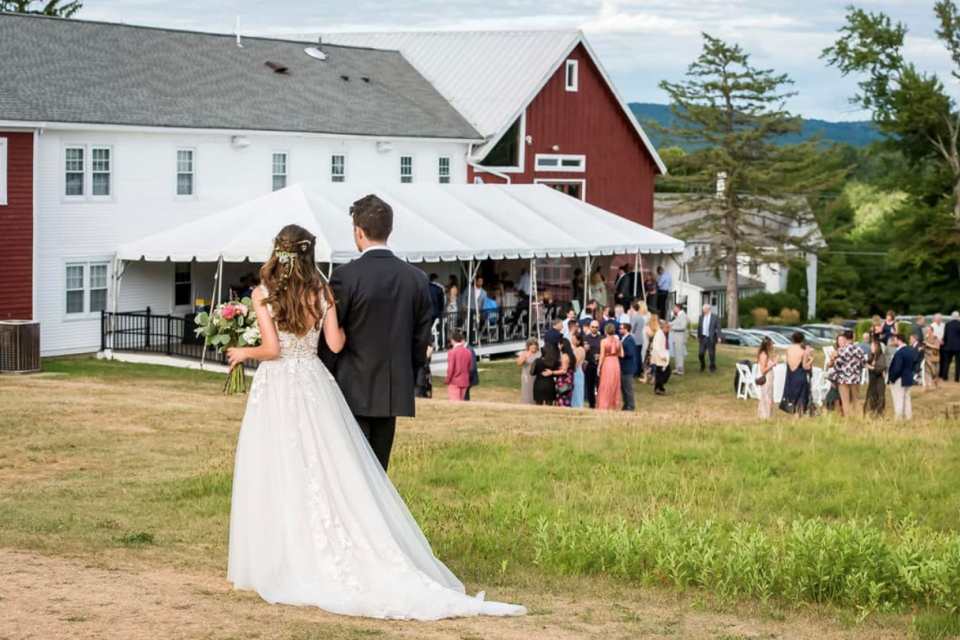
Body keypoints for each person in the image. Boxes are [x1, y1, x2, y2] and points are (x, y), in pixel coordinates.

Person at [224, 222, 525, 619]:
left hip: (278, 388)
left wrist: (242, 353)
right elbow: (334, 344)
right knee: (325, 469)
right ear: (309, 254)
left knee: (281, 468)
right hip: (314, 383)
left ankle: (283, 556)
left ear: (277, 254)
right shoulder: (322, 292)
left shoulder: (263, 295)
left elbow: (272, 348)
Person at [321, 196, 433, 473]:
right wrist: (409, 372)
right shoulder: (417, 279)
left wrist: (327, 376)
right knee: (379, 471)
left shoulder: (345, 277)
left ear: (358, 231)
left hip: (351, 385)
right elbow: (421, 339)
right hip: (393, 388)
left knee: (352, 471)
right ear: (389, 231)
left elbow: (332, 335)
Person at [832, 330, 865, 418]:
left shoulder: (841, 350)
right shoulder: (859, 350)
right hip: (855, 378)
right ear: (853, 337)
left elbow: (837, 366)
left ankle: (848, 418)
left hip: (843, 379)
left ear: (845, 338)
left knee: (845, 401)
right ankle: (858, 417)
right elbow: (863, 364)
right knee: (856, 399)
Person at [781, 331, 813, 416]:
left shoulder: (789, 349)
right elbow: (805, 366)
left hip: (791, 375)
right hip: (800, 374)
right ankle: (799, 415)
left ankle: (794, 413)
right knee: (801, 396)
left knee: (793, 395)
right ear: (802, 340)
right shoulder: (803, 351)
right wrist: (811, 360)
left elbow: (787, 361)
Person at [888, 332, 919, 420]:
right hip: (908, 377)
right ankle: (908, 417)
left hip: (899, 378)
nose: (893, 342)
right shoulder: (911, 350)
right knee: (907, 399)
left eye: (894, 340)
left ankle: (898, 419)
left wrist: (892, 378)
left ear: (898, 340)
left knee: (898, 399)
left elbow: (897, 368)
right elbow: (915, 362)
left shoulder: (899, 352)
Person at [596, 322, 623, 410]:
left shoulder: (603, 341)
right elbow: (622, 354)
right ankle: (614, 404)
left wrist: (599, 367)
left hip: (607, 362)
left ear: (606, 331)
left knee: (606, 383)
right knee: (615, 383)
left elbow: (602, 355)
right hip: (615, 362)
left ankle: (604, 404)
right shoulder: (618, 341)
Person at [444, 331, 472, 401]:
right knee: (461, 404)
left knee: (454, 404)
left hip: (454, 381)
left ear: (452, 340)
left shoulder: (452, 352)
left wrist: (447, 380)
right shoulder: (468, 351)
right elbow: (469, 367)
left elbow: (451, 369)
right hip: (464, 381)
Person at [863, 334, 887, 417]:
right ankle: (871, 413)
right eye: (871, 346)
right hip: (872, 380)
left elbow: (881, 368)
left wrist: (871, 367)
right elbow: (866, 362)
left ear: (877, 347)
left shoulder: (881, 356)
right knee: (871, 396)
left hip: (879, 381)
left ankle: (879, 414)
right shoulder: (872, 356)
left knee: (879, 397)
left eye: (873, 346)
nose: (871, 348)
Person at [755, 337, 778, 419]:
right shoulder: (763, 355)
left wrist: (773, 362)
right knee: (767, 397)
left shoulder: (766, 354)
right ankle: (765, 416)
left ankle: (766, 415)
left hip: (770, 378)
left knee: (768, 397)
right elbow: (763, 370)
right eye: (771, 344)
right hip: (767, 379)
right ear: (768, 345)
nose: (773, 346)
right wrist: (772, 364)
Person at [618, 322, 639, 410]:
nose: (620, 330)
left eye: (621, 328)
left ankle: (631, 405)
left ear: (626, 329)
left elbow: (630, 353)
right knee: (623, 387)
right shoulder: (624, 338)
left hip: (627, 367)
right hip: (623, 367)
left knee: (628, 388)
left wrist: (622, 353)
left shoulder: (629, 339)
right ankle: (626, 404)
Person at [649, 314, 671, 395]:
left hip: (661, 356)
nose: (669, 330)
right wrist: (662, 356)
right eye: (668, 328)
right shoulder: (660, 334)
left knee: (661, 373)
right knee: (665, 373)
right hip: (660, 357)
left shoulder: (662, 334)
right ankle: (659, 387)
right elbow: (657, 347)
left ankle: (659, 388)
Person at [582, 319, 602, 408]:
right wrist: (584, 349)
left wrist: (600, 355)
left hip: (599, 365)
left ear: (598, 328)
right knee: (590, 385)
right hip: (589, 364)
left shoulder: (602, 338)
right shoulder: (585, 338)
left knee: (599, 385)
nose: (594, 328)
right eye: (593, 327)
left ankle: (599, 402)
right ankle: (591, 404)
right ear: (590, 327)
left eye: (596, 327)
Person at [533, 341, 560, 406]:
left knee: (538, 404)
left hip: (538, 384)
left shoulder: (537, 361)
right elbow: (557, 374)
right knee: (549, 404)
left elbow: (532, 372)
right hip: (550, 384)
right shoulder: (555, 362)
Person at [697, 304, 720, 373]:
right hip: (703, 338)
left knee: (711, 354)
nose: (703, 310)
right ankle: (703, 365)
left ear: (708, 309)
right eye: (703, 309)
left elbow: (718, 327)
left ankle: (712, 367)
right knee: (700, 353)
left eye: (704, 309)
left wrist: (719, 337)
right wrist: (698, 336)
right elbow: (699, 327)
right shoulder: (701, 317)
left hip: (711, 338)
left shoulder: (714, 317)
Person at [516, 338, 540, 405]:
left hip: (537, 377)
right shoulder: (525, 353)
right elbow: (518, 363)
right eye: (531, 344)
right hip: (527, 377)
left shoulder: (539, 353)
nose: (534, 346)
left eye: (535, 344)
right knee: (527, 391)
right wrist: (525, 357)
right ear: (528, 346)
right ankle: (526, 404)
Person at [630, 301, 649, 381]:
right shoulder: (640, 317)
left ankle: (636, 371)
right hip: (640, 338)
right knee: (638, 355)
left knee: (635, 356)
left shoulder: (635, 317)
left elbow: (632, 329)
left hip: (635, 338)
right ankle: (639, 370)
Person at [669, 302, 688, 375]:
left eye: (674, 307)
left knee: (679, 354)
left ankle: (680, 369)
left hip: (680, 337)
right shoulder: (678, 316)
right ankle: (677, 368)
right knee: (676, 353)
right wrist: (666, 323)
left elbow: (683, 327)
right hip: (676, 337)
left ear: (678, 308)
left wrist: (672, 328)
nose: (673, 309)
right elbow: (673, 323)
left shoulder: (682, 315)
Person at [942, 311, 960, 382]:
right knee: (958, 363)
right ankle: (956, 378)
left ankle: (945, 377)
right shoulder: (959, 324)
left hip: (948, 346)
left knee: (946, 362)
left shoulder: (947, 324)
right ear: (958, 317)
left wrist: (944, 342)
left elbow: (945, 335)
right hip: (958, 347)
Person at [571, 333, 586, 409]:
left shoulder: (580, 349)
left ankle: (578, 406)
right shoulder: (575, 349)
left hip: (577, 372)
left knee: (577, 391)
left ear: (578, 341)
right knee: (574, 391)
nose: (572, 341)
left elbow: (576, 363)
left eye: (574, 339)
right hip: (575, 371)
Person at [923, 325, 941, 390]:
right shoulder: (926, 338)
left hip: (934, 357)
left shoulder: (935, 338)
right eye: (927, 330)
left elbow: (937, 347)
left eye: (928, 330)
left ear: (932, 331)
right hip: (927, 357)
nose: (927, 331)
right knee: (927, 371)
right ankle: (927, 386)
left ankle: (936, 385)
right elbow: (924, 346)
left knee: (935, 372)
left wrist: (928, 345)